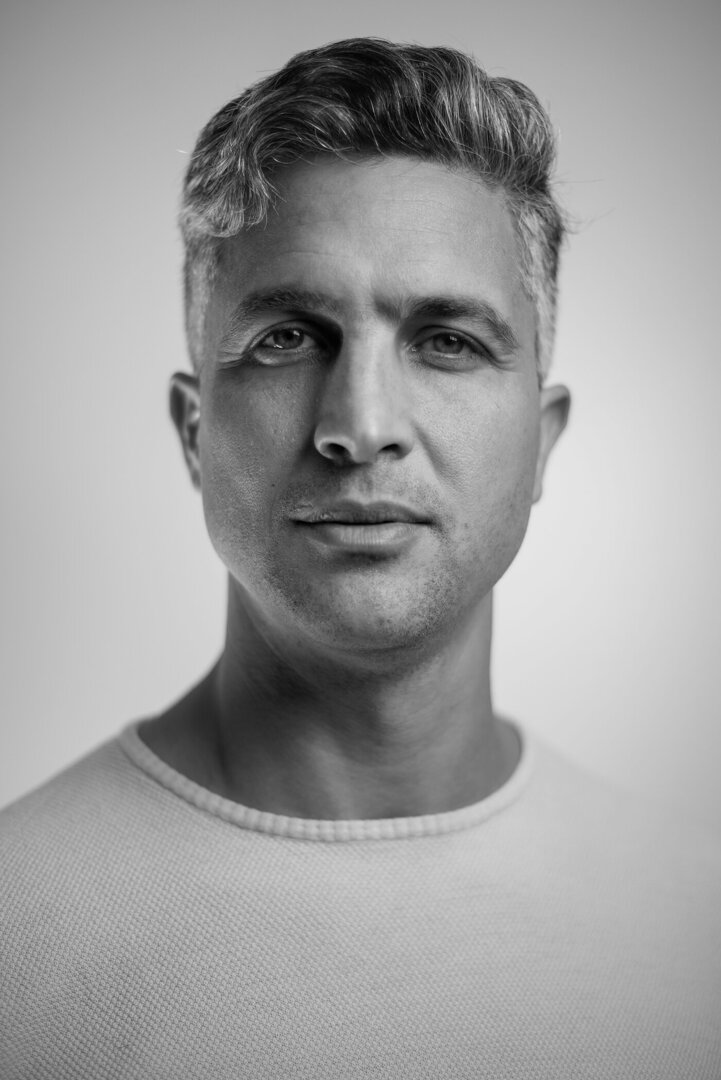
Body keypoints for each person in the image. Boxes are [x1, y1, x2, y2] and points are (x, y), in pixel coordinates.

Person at [1, 37, 719, 1079]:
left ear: (541, 441)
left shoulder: (697, 921)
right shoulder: (17, 933)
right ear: (195, 434)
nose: (361, 426)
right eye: (289, 337)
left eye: (447, 341)